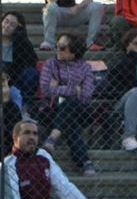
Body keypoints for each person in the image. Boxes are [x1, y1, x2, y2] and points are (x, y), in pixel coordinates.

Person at [1, 120, 102, 199]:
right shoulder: (7, 165)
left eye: (35, 134)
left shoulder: (44, 156)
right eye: (27, 133)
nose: (32, 137)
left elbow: (65, 187)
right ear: (15, 137)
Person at [37, 33, 98, 177]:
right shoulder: (50, 64)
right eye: (57, 45)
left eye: (63, 47)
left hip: (81, 110)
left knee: (71, 104)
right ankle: (84, 161)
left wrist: (58, 87)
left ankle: (53, 137)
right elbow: (45, 89)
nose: (58, 49)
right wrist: (73, 89)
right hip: (52, 109)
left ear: (74, 51)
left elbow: (86, 95)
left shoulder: (85, 67)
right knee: (71, 122)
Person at [0, 11, 39, 104]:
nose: (7, 26)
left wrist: (19, 37)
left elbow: (32, 61)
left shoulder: (22, 43)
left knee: (31, 73)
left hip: (14, 78)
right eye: (6, 21)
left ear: (18, 28)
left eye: (12, 24)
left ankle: (25, 106)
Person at [40, 0, 106, 52]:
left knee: (97, 6)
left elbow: (88, 0)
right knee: (50, 8)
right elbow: (51, 1)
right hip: (58, 15)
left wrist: (77, 7)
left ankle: (90, 43)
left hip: (75, 13)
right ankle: (49, 42)